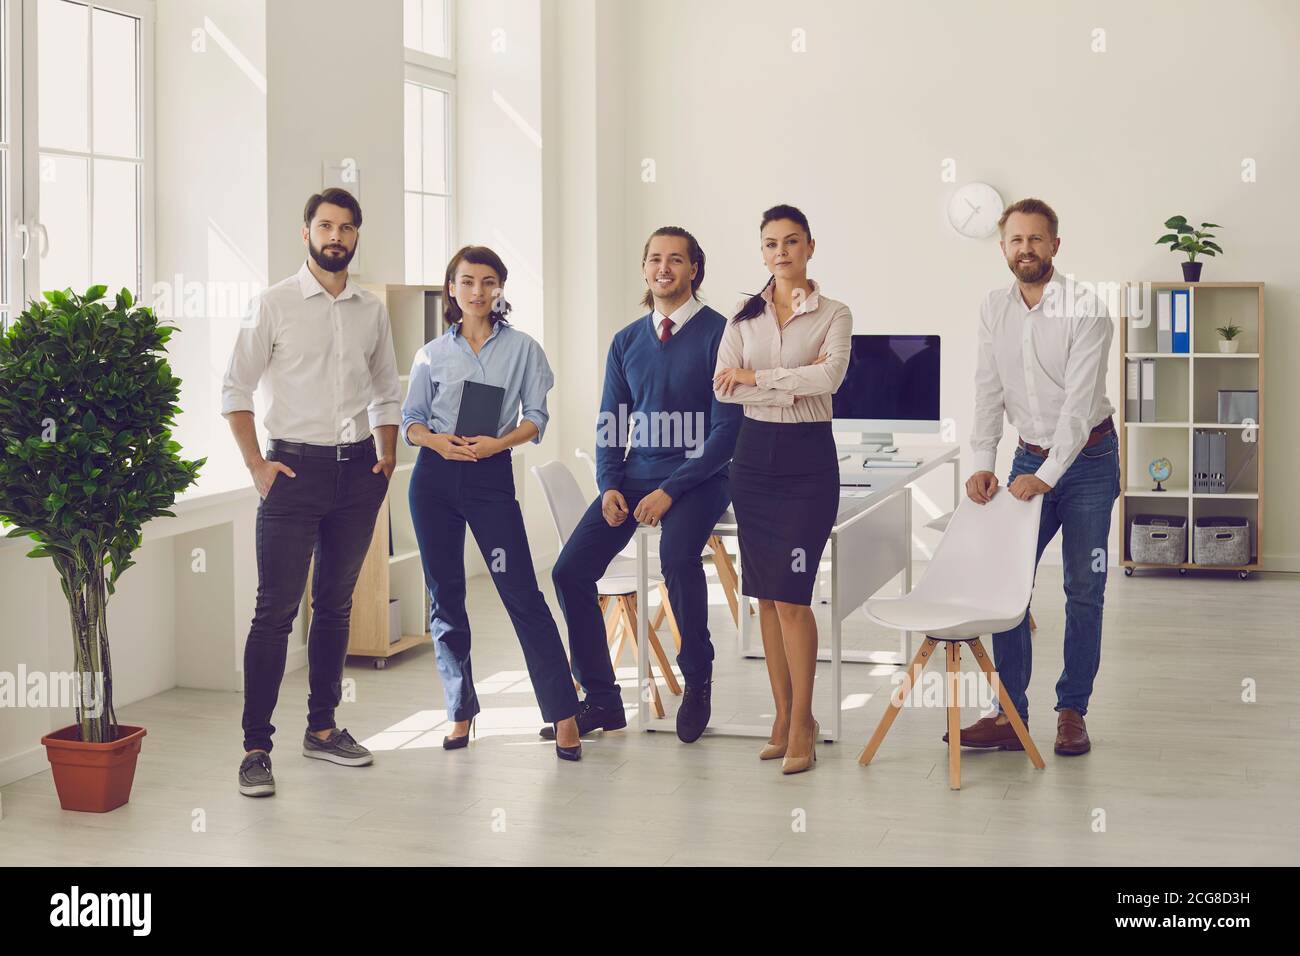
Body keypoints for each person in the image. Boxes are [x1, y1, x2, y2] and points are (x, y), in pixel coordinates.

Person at [222, 187, 399, 797]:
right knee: (275, 612)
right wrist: (255, 466)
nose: (336, 236)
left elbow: (385, 388)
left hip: (356, 476)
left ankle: (321, 730)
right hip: (290, 474)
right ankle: (254, 749)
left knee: (336, 606)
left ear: (356, 236)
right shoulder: (271, 304)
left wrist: (387, 455)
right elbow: (234, 389)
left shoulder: (371, 310)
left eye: (347, 227)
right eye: (326, 225)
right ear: (306, 234)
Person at [548, 226, 742, 744]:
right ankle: (604, 701)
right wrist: (610, 483)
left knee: (677, 559)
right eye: (655, 258)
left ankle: (697, 679)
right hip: (634, 477)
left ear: (694, 269)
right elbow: (611, 420)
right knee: (569, 571)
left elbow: (727, 432)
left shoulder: (722, 335)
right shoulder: (626, 341)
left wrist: (671, 490)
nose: (664, 268)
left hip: (700, 479)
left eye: (675, 259)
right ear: (644, 268)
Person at [402, 245, 582, 760]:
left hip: (490, 476)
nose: (477, 291)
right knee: (445, 597)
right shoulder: (431, 354)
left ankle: (564, 713)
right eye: (467, 281)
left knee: (521, 593)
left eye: (488, 282)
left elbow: (536, 417)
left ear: (500, 289)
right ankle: (460, 712)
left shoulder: (523, 348)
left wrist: (498, 443)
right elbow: (412, 421)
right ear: (451, 289)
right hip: (434, 480)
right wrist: (435, 441)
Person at [956, 197, 1119, 757]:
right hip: (1027, 457)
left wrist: (1047, 476)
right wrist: (982, 461)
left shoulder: (1087, 309)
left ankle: (1072, 711)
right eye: (1015, 240)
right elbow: (987, 389)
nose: (1026, 249)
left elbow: (1076, 410)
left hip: (1089, 464)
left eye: (1036, 239)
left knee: (1083, 588)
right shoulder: (992, 308)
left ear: (1055, 244)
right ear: (1003, 248)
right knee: (1008, 587)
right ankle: (1008, 714)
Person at [714, 204, 852, 775]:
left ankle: (803, 723)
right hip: (753, 462)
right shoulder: (742, 315)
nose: (781, 252)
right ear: (762, 250)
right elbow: (724, 387)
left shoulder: (835, 314)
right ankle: (781, 715)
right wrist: (783, 384)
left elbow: (831, 379)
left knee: (794, 597)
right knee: (765, 596)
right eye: (771, 244)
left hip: (807, 462)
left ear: (810, 247)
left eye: (791, 242)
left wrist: (759, 379)